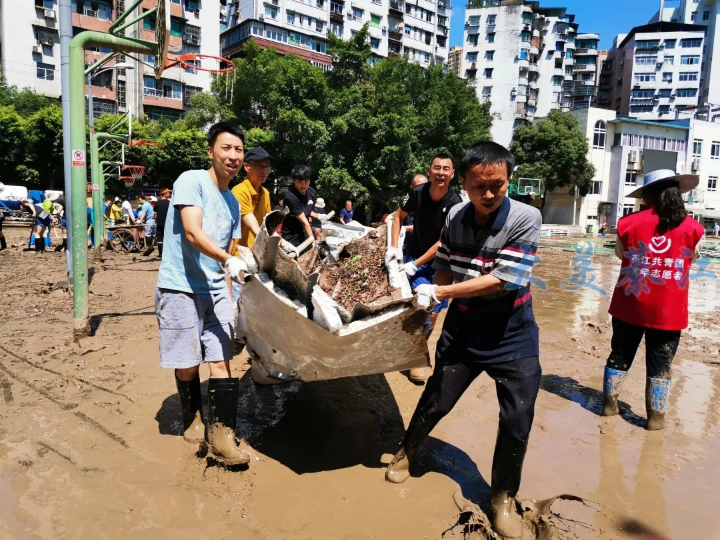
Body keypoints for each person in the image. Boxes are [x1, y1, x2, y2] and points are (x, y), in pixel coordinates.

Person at [385, 143, 543, 539]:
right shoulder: (455, 215)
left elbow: (502, 279)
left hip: (513, 334)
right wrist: (429, 319)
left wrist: (439, 296)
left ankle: (503, 497)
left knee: (518, 418)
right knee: (437, 397)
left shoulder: (527, 217)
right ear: (464, 182)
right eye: (479, 186)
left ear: (508, 179)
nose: (488, 195)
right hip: (464, 330)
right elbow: (443, 271)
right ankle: (407, 451)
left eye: (498, 186)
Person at [155, 121, 251, 466]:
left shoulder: (232, 203)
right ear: (211, 151)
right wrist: (228, 258)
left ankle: (222, 434)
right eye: (226, 148)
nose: (233, 155)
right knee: (187, 363)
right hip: (180, 287)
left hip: (214, 289)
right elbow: (193, 233)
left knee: (221, 360)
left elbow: (226, 257)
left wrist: (231, 297)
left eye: (239, 150)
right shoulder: (191, 180)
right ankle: (192, 414)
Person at [602, 169, 704, 431]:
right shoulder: (694, 228)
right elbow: (693, 259)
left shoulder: (628, 223)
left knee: (620, 354)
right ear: (677, 193)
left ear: (647, 195)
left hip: (629, 303)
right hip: (669, 309)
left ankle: (610, 405)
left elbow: (620, 255)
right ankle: (655, 419)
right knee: (661, 363)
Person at [386, 154, 463, 383]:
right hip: (415, 254)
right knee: (420, 306)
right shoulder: (416, 193)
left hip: (443, 262)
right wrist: (393, 248)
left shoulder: (455, 203)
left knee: (435, 311)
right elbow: (398, 217)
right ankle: (414, 358)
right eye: (436, 167)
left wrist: (414, 265)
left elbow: (442, 241)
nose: (441, 172)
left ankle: (416, 352)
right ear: (429, 171)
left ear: (452, 174)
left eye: (445, 169)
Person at [231, 147, 272, 251]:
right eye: (259, 166)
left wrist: (286, 244)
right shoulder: (239, 191)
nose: (264, 170)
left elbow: (269, 227)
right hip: (238, 255)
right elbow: (254, 227)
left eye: (267, 166)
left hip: (257, 253)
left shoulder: (265, 193)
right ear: (246, 167)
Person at [281, 165, 328, 247]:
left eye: (306, 182)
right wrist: (312, 240)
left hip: (304, 233)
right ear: (294, 181)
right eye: (299, 182)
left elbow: (309, 212)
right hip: (292, 238)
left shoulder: (311, 192)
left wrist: (319, 216)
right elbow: (304, 221)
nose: (303, 185)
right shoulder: (290, 198)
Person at [402, 174, 429, 252]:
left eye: (424, 186)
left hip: (424, 249)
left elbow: (427, 227)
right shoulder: (408, 197)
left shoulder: (430, 202)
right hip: (407, 246)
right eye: (417, 186)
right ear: (411, 187)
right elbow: (398, 214)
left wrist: (405, 228)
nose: (420, 189)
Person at [154, 189, 171, 257]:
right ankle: (168, 253)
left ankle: (160, 253)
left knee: (160, 239)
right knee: (168, 238)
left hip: (159, 223)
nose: (169, 194)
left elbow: (155, 214)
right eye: (168, 193)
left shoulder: (157, 203)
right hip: (167, 224)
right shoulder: (169, 203)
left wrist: (156, 221)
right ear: (165, 194)